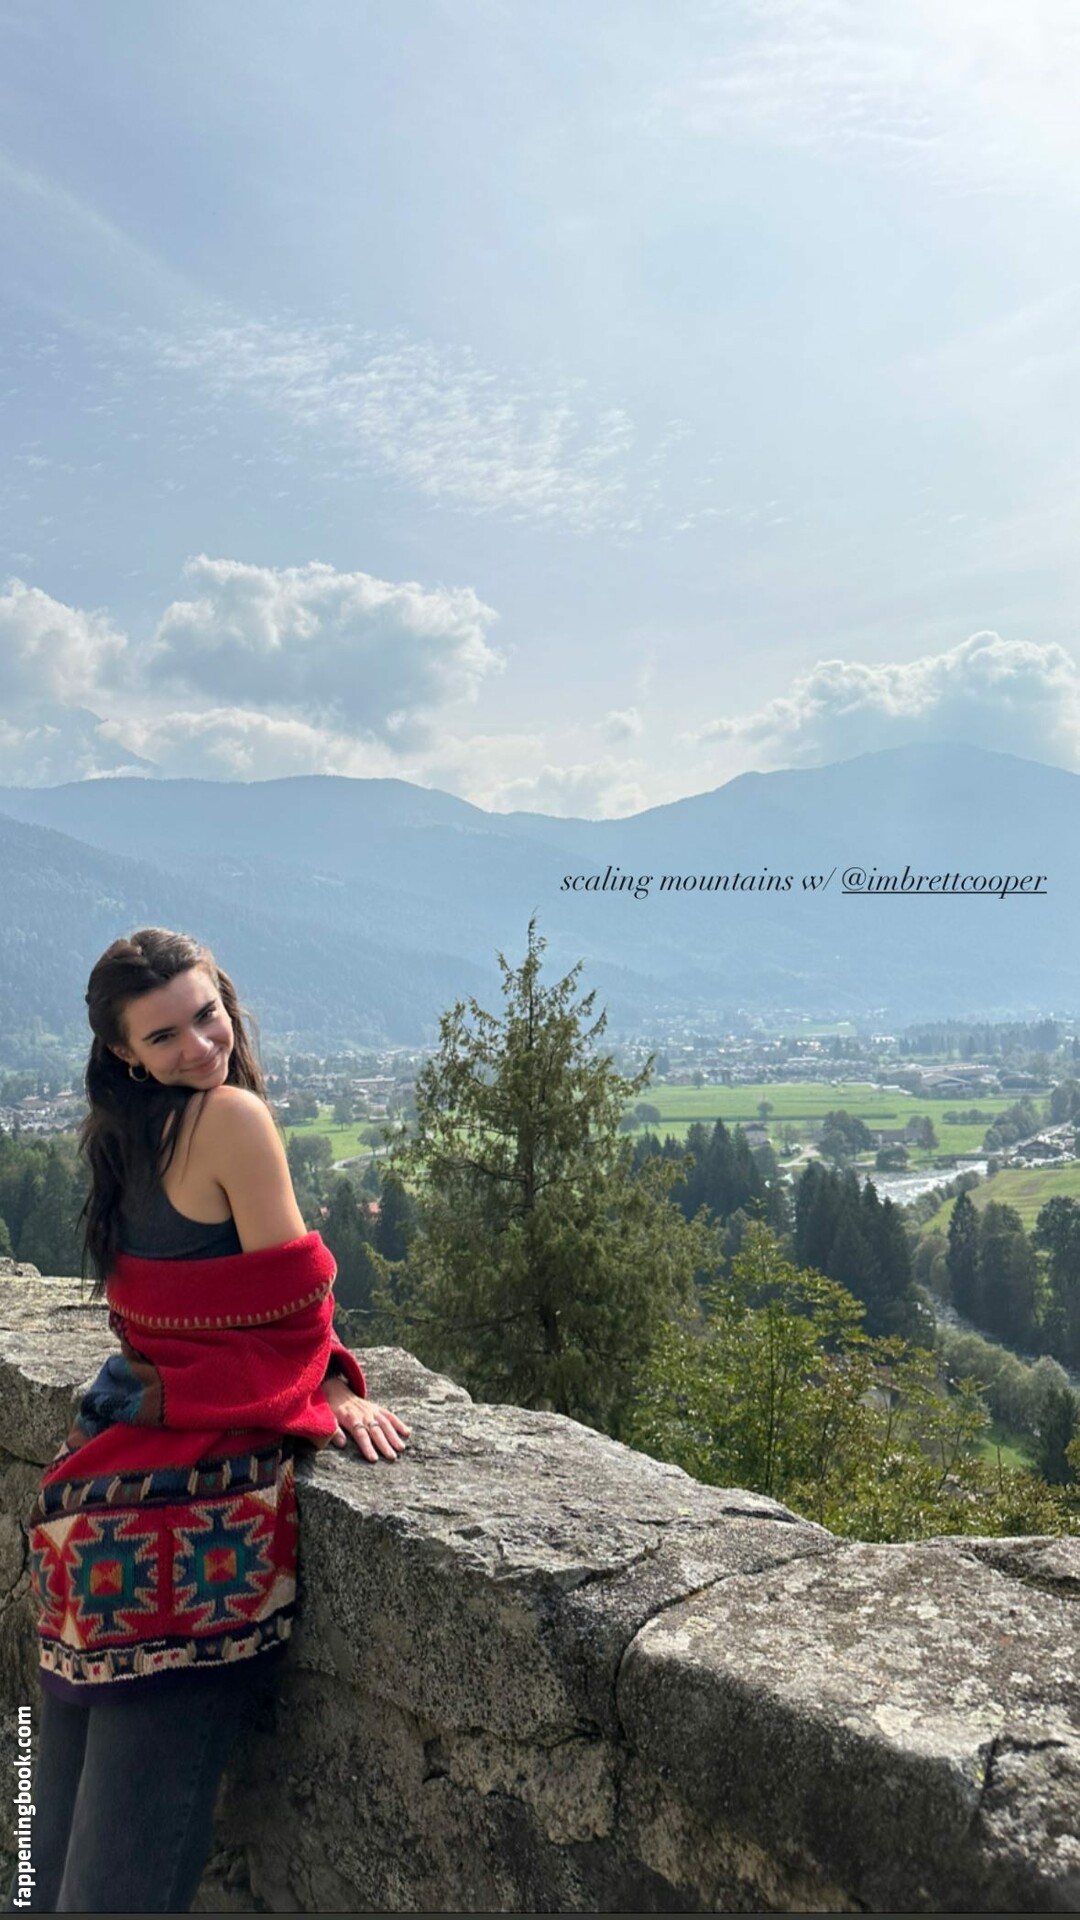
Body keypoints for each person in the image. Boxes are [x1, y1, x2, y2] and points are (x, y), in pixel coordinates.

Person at [10, 927, 409, 1914]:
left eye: (207, 1015)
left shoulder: (122, 1138)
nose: (201, 1046)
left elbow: (171, 1320)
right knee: (119, 1887)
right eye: (166, 1036)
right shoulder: (230, 1118)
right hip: (185, 1534)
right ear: (123, 1051)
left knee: (40, 1854)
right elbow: (291, 1309)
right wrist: (334, 1379)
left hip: (93, 1508)